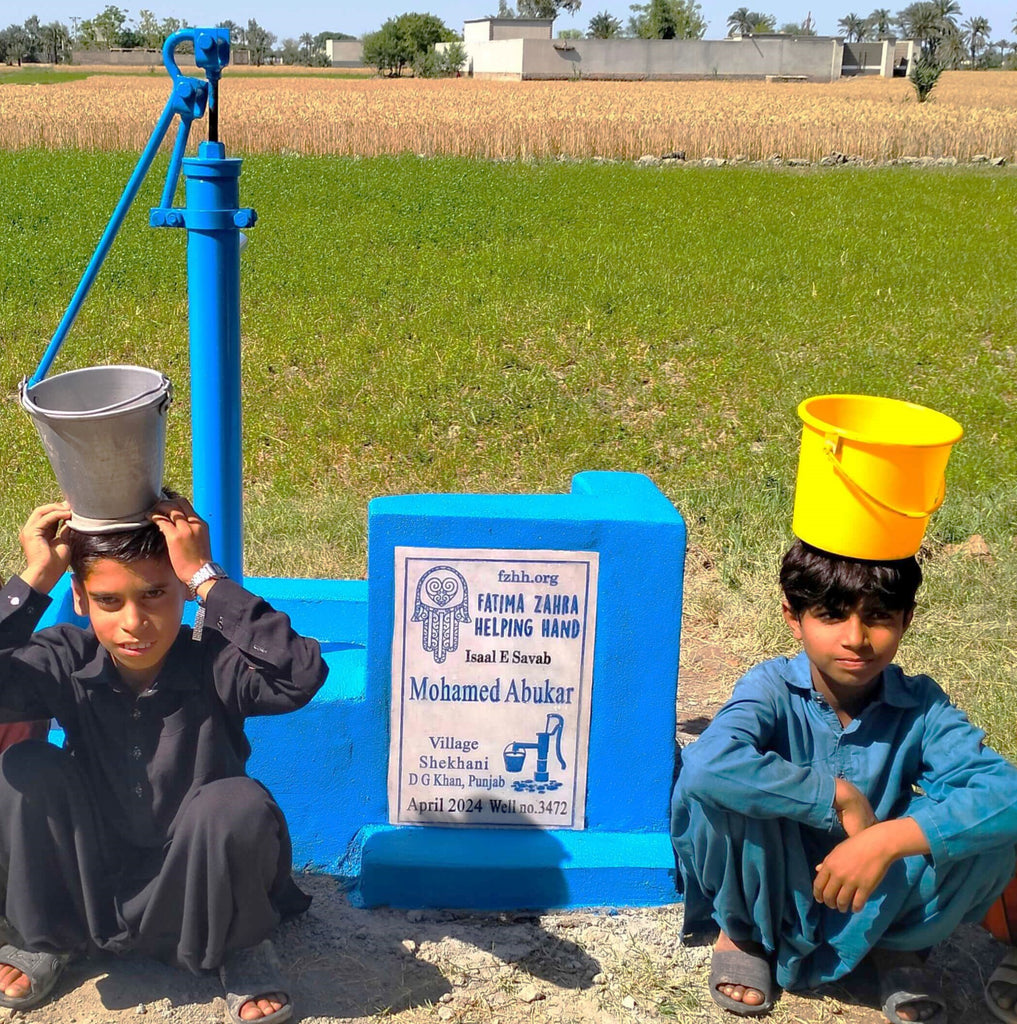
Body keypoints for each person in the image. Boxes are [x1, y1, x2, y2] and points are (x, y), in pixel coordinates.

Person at [0, 496, 327, 1024]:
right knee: (25, 770)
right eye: (109, 600)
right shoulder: (67, 657)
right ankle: (48, 936)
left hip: (201, 885)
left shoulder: (215, 659)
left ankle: (239, 948)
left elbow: (301, 674)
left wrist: (207, 578)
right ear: (80, 600)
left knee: (238, 805)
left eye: (155, 593)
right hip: (92, 885)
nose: (135, 622)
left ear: (181, 591)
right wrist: (35, 580)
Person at [671, 539, 1017, 1022]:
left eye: (878, 616)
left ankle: (895, 945)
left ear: (906, 619)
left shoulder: (921, 706)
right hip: (773, 875)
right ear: (794, 617)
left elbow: (1006, 796)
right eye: (833, 615)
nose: (857, 638)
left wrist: (884, 843)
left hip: (876, 890)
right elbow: (708, 765)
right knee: (710, 793)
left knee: (990, 835)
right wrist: (834, 795)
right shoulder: (771, 688)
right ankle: (743, 931)